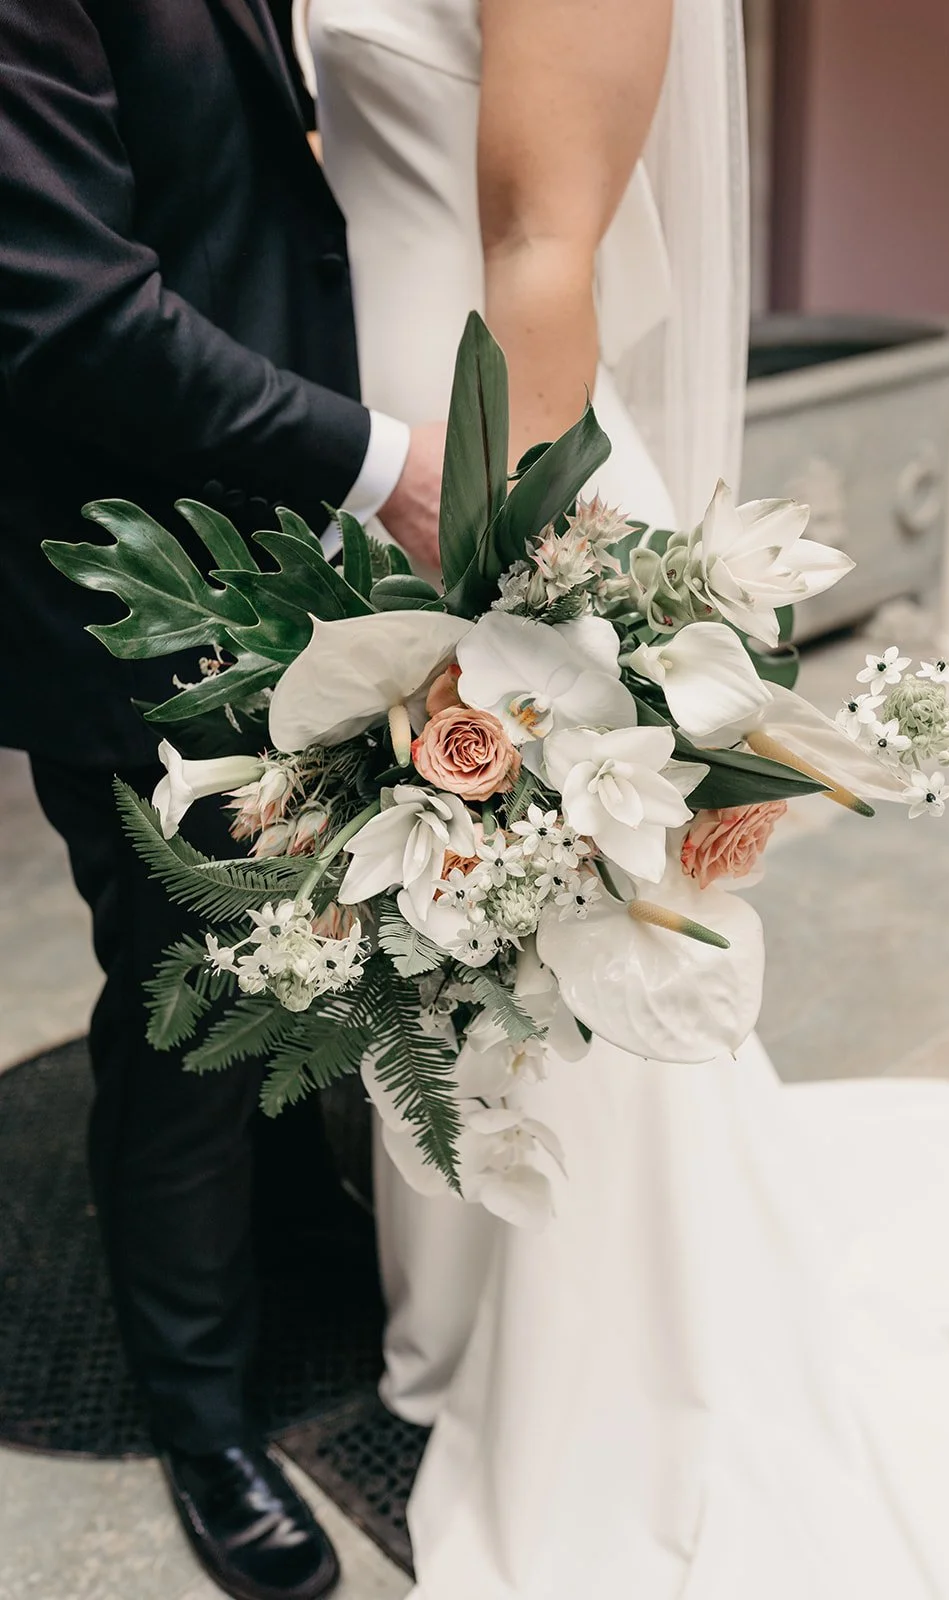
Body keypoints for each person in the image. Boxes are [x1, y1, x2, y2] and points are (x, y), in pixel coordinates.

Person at [299, 0, 949, 1595]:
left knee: (546, 1000)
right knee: (438, 984)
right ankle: (462, 1329)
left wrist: (495, 631)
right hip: (386, 472)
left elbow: (541, 246)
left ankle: (601, 1393)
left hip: (499, 496)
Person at [0, 3, 443, 1596]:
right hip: (127, 574)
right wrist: (377, 457)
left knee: (300, 927)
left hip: (270, 533)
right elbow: (61, 309)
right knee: (188, 992)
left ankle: (284, 1223)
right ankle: (200, 1417)